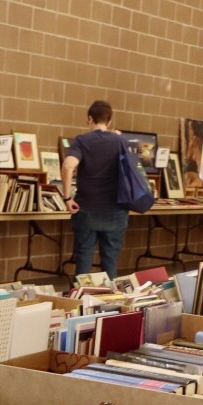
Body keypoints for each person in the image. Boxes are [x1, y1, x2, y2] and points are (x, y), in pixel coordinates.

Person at [61, 100, 130, 279]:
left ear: (89, 119)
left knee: (83, 260)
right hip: (116, 211)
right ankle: (110, 302)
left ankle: (80, 302)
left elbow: (69, 166)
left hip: (86, 211)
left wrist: (67, 198)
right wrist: (118, 137)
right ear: (109, 121)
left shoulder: (82, 141)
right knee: (110, 262)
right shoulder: (121, 141)